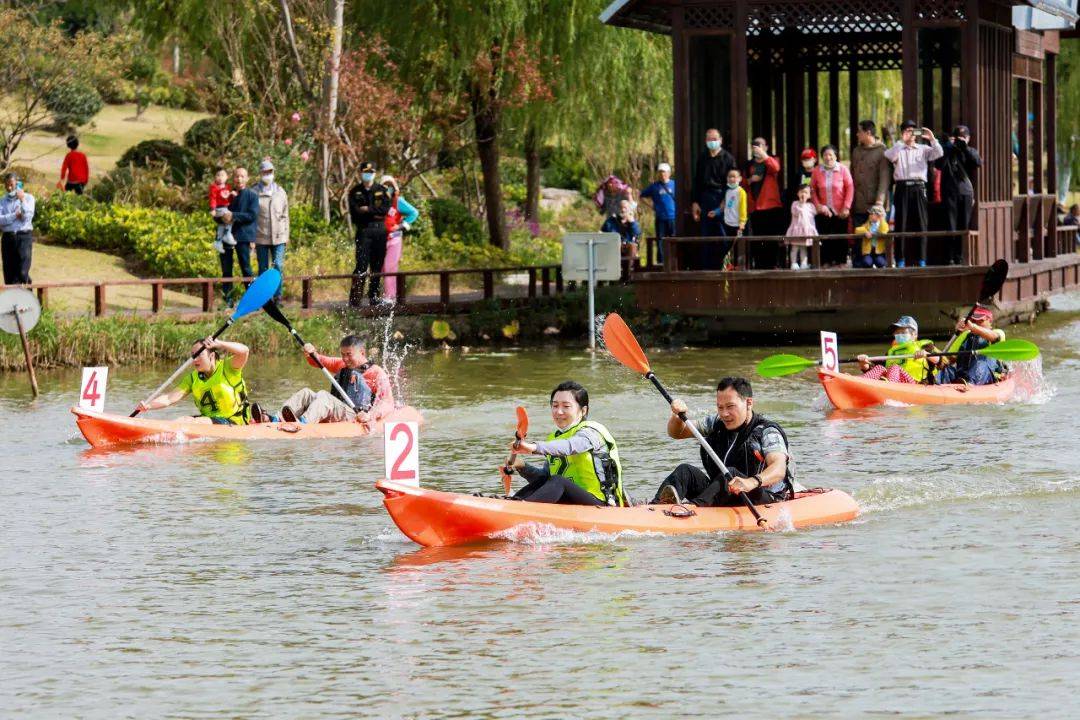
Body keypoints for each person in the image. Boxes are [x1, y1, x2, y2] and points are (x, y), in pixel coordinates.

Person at [652, 377, 794, 507]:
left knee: (730, 473)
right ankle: (656, 506)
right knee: (685, 471)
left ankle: (695, 509)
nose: (724, 413)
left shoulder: (767, 432)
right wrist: (677, 416)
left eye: (730, 406)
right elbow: (677, 433)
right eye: (720, 407)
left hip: (760, 497)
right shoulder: (716, 423)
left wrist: (751, 482)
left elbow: (779, 469)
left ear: (749, 403)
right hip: (722, 492)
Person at [509, 380, 627, 506]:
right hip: (570, 502)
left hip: (600, 504)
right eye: (555, 406)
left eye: (566, 406)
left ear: (583, 411)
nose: (559, 412)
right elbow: (546, 480)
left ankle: (520, 509)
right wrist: (522, 466)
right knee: (548, 480)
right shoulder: (554, 438)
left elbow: (571, 446)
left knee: (558, 481)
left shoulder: (591, 432)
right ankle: (514, 503)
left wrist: (534, 447)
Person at [135, 338, 256, 424]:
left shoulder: (228, 368)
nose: (194, 359)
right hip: (209, 421)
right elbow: (169, 398)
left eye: (198, 354)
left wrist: (219, 343)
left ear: (212, 356)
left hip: (235, 421)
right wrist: (148, 406)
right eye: (193, 356)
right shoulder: (193, 378)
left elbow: (244, 351)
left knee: (192, 421)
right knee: (182, 421)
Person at [279, 335, 395, 424]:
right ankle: (277, 419)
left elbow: (388, 403)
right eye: (343, 354)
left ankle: (303, 424)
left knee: (324, 396)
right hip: (337, 409)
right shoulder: (342, 364)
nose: (345, 359)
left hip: (355, 415)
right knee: (306, 393)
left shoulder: (376, 372)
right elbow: (318, 360)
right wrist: (310, 353)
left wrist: (370, 416)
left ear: (362, 352)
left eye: (349, 354)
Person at [884, 120, 943, 267]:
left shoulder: (923, 148)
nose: (911, 134)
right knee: (901, 223)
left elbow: (939, 153)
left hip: (919, 187)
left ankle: (922, 259)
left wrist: (932, 138)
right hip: (902, 187)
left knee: (922, 223)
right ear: (902, 133)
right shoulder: (898, 148)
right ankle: (900, 260)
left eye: (913, 130)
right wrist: (901, 142)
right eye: (907, 131)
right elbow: (888, 155)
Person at [347, 161, 392, 307]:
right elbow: (356, 213)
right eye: (365, 172)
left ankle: (374, 297)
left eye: (371, 172)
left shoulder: (382, 190)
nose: (368, 174)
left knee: (376, 266)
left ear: (375, 173)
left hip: (380, 230)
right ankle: (355, 299)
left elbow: (385, 210)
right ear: (360, 173)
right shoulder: (354, 192)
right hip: (364, 230)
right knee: (361, 265)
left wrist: (368, 209)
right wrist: (371, 212)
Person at [692, 128, 737, 268]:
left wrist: (725, 202)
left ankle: (725, 267)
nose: (712, 142)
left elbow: (733, 183)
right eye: (709, 139)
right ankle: (708, 269)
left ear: (721, 140)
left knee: (724, 235)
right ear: (706, 141)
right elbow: (697, 181)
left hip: (723, 197)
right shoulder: (702, 158)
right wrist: (695, 202)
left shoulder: (728, 159)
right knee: (707, 236)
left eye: (715, 139)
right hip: (706, 198)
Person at [936, 125, 982, 265]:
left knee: (964, 225)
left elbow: (977, 162)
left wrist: (965, 148)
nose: (960, 140)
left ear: (968, 138)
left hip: (966, 193)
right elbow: (938, 164)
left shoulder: (970, 151)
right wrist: (949, 147)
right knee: (950, 224)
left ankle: (960, 256)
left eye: (963, 138)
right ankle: (949, 257)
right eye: (958, 138)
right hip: (950, 192)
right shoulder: (948, 150)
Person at [857, 315, 942, 384]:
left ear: (914, 334)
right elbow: (873, 370)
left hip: (915, 383)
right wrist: (864, 363)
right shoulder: (891, 352)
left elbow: (939, 360)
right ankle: (859, 381)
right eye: (897, 333)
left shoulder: (925, 346)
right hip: (893, 382)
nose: (899, 334)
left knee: (894, 367)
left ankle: (888, 386)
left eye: (903, 332)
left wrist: (925, 354)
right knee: (880, 368)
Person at [218, 166, 259, 305]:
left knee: (246, 269)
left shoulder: (252, 195)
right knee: (226, 269)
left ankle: (251, 300)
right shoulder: (227, 195)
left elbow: (252, 216)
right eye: (236, 176)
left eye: (242, 176)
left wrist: (233, 215)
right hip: (226, 237)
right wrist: (221, 216)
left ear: (247, 178)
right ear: (233, 178)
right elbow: (218, 212)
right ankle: (227, 300)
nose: (239, 179)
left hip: (244, 236)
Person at [936, 306, 1006, 386]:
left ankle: (970, 385)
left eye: (980, 321)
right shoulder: (965, 335)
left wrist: (972, 327)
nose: (976, 323)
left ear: (989, 321)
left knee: (980, 363)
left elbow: (994, 337)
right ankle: (934, 384)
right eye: (973, 321)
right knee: (947, 369)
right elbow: (948, 359)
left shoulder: (998, 333)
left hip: (988, 376)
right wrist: (934, 358)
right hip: (962, 376)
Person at [810, 144, 854, 267]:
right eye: (825, 155)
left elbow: (850, 187)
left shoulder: (843, 169)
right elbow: (812, 189)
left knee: (840, 236)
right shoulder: (817, 171)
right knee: (825, 237)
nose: (828, 157)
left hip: (840, 210)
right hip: (824, 210)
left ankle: (841, 262)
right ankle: (826, 262)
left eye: (830, 154)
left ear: (835, 156)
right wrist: (818, 205)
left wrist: (846, 206)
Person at [744, 137, 785, 268]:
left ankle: (772, 264)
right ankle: (760, 265)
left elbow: (776, 168)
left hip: (771, 205)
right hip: (755, 207)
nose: (757, 147)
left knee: (771, 238)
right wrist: (751, 180)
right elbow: (742, 182)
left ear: (766, 147)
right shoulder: (749, 164)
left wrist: (764, 155)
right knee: (757, 238)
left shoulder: (772, 160)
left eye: (760, 145)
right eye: (754, 145)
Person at [380, 175, 419, 305]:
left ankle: (390, 298)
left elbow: (414, 213)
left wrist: (402, 226)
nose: (388, 188)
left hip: (394, 238)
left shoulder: (398, 201)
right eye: (385, 185)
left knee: (390, 267)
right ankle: (384, 295)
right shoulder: (377, 201)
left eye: (390, 185)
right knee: (381, 268)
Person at [253, 159, 289, 300]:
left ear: (273, 173)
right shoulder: (254, 192)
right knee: (263, 269)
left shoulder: (280, 191)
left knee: (278, 267)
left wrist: (286, 234)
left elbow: (286, 215)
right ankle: (264, 297)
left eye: (270, 172)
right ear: (260, 173)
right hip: (261, 236)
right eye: (265, 172)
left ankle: (277, 296)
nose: (268, 174)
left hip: (279, 237)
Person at [850, 120, 890, 230]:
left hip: (875, 206)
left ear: (868, 133)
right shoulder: (856, 151)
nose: (857, 134)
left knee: (875, 243)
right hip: (858, 205)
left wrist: (880, 202)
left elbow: (884, 178)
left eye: (859, 131)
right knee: (859, 240)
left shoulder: (882, 151)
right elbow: (851, 176)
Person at [705, 168, 747, 269]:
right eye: (729, 177)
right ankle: (728, 265)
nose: (731, 179)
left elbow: (743, 208)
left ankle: (739, 266)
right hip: (727, 223)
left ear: (739, 179)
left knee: (737, 246)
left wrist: (742, 222)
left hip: (737, 224)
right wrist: (716, 212)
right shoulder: (727, 191)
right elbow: (724, 205)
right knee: (727, 246)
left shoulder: (741, 192)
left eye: (734, 177)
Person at [0, 173, 35, 285]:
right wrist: (14, 215)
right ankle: (12, 301)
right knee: (9, 273)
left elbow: (27, 217)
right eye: (6, 185)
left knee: (22, 271)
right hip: (8, 238)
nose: (9, 188)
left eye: (11, 185)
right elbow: (0, 220)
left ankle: (28, 299)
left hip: (23, 237)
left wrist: (22, 200)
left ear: (18, 184)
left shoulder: (29, 198)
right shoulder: (2, 201)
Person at [639, 163, 676, 263]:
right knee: (660, 241)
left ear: (669, 173)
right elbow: (641, 195)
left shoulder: (674, 184)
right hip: (660, 218)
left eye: (664, 172)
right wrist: (651, 206)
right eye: (660, 172)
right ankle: (661, 263)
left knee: (674, 240)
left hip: (673, 218)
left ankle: (674, 261)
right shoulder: (654, 186)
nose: (662, 174)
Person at [784, 184, 816, 269]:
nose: (803, 194)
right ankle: (793, 263)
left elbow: (812, 218)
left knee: (803, 248)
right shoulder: (795, 204)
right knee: (795, 247)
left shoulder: (811, 206)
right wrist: (801, 203)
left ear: (809, 195)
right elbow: (795, 212)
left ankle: (803, 263)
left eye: (806, 192)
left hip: (806, 231)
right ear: (798, 193)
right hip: (796, 230)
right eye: (802, 192)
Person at [601, 198, 641, 264]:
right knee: (615, 244)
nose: (623, 210)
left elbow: (637, 234)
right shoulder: (611, 221)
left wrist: (632, 223)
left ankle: (629, 270)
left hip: (628, 246)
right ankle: (614, 268)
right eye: (620, 207)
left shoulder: (633, 222)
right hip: (613, 246)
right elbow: (602, 233)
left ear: (629, 210)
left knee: (632, 246)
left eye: (625, 208)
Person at [208, 167, 235, 255]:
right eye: (218, 175)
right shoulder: (214, 187)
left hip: (226, 207)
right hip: (219, 208)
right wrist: (212, 209)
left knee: (221, 225)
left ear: (226, 177)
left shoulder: (228, 187)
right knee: (230, 216)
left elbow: (228, 198)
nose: (220, 177)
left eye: (222, 175)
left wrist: (232, 195)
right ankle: (227, 234)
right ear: (215, 177)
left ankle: (218, 241)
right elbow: (213, 198)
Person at [853, 204, 889, 268]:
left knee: (881, 263)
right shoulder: (867, 224)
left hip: (879, 252)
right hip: (868, 252)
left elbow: (884, 231)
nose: (870, 216)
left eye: (872, 214)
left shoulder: (883, 224)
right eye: (870, 214)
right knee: (867, 263)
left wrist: (882, 219)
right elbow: (857, 230)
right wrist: (865, 232)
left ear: (878, 215)